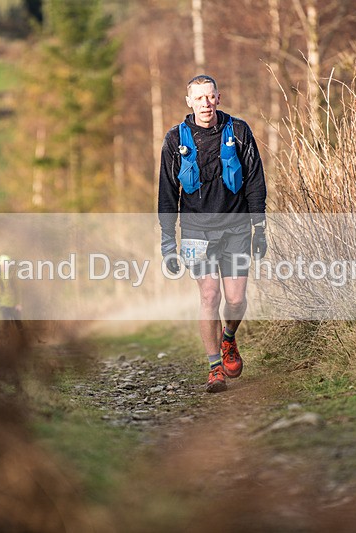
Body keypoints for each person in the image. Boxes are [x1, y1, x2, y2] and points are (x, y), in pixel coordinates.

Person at [158, 74, 267, 393]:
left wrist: (259, 227)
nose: (206, 103)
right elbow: (167, 193)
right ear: (189, 101)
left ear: (219, 98)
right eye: (199, 97)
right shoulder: (174, 139)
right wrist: (168, 243)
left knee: (235, 299)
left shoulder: (240, 131)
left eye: (210, 96)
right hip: (194, 231)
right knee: (209, 296)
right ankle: (214, 368)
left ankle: (229, 340)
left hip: (236, 227)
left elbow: (255, 181)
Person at [0, 254, 23, 332]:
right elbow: (0, 290)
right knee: (6, 322)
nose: (2, 267)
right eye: (1, 265)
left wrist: (19, 303)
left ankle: (23, 338)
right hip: (4, 303)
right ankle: (6, 339)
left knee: (17, 322)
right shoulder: (0, 276)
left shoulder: (12, 275)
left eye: (4, 265)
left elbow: (18, 290)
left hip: (13, 303)